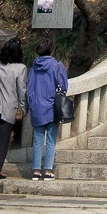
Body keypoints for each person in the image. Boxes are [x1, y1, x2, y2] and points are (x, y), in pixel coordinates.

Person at [0, 37, 27, 179]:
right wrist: (23, 107)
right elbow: (22, 90)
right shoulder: (20, 68)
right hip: (9, 108)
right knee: (4, 139)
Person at [27, 39, 67, 180]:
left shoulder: (33, 67)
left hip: (37, 107)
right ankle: (48, 170)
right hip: (52, 107)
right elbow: (63, 86)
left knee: (38, 140)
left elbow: (29, 88)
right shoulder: (57, 65)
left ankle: (36, 170)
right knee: (51, 140)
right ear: (51, 51)